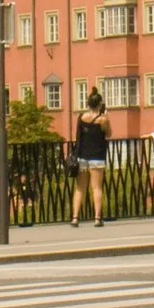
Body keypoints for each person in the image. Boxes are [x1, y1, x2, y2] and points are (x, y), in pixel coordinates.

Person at [70, 91, 109, 227]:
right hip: (97, 156)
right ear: (99, 104)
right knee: (97, 188)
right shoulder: (102, 119)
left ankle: (75, 217)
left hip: (82, 156)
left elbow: (78, 136)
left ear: (88, 104)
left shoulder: (81, 117)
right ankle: (97, 218)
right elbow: (108, 134)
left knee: (80, 188)